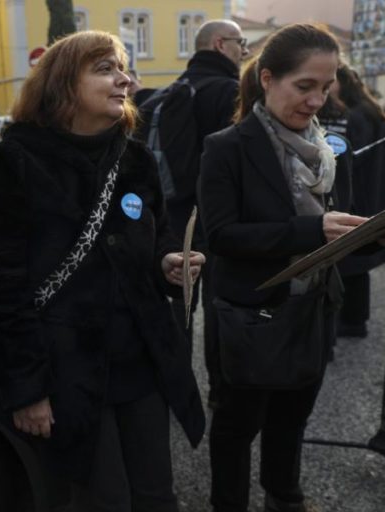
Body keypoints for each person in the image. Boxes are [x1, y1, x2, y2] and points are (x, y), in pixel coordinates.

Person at [0, 30, 206, 512]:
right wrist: (27, 388)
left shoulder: (134, 157)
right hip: (65, 371)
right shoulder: (19, 160)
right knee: (102, 500)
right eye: (105, 69)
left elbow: (153, 239)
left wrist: (168, 264)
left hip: (140, 361)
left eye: (123, 69)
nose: (125, 80)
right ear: (61, 85)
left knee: (157, 495)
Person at [197, 24, 364, 512]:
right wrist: (312, 231)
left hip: (312, 306)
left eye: (326, 86)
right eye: (304, 86)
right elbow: (223, 236)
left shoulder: (331, 149)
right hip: (252, 314)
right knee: (236, 427)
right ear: (267, 79)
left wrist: (368, 234)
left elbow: (339, 225)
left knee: (292, 418)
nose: (317, 100)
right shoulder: (226, 147)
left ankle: (284, 496)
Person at [152, 18, 248, 407]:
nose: (244, 52)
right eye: (240, 43)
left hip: (174, 216)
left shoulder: (173, 89)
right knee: (218, 306)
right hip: (215, 217)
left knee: (180, 305)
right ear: (220, 43)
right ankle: (220, 391)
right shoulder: (228, 91)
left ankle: (176, 390)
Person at [328, 64, 385, 338]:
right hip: (374, 193)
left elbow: (352, 161)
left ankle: (352, 322)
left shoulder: (356, 116)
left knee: (352, 263)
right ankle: (355, 320)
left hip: (362, 194)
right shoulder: (367, 110)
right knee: (357, 265)